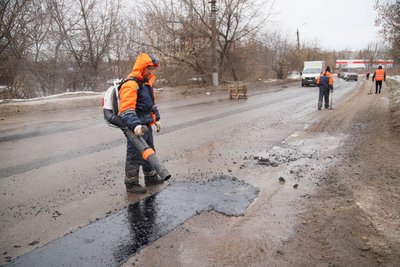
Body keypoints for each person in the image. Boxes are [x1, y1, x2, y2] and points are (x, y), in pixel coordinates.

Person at [119, 52, 163, 194]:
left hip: (146, 126)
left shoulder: (146, 84)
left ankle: (150, 178)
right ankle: (131, 183)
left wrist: (156, 119)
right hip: (135, 127)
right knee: (134, 154)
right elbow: (126, 109)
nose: (151, 71)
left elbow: (151, 105)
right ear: (141, 67)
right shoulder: (131, 85)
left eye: (152, 69)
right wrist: (135, 125)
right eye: (149, 68)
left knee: (149, 151)